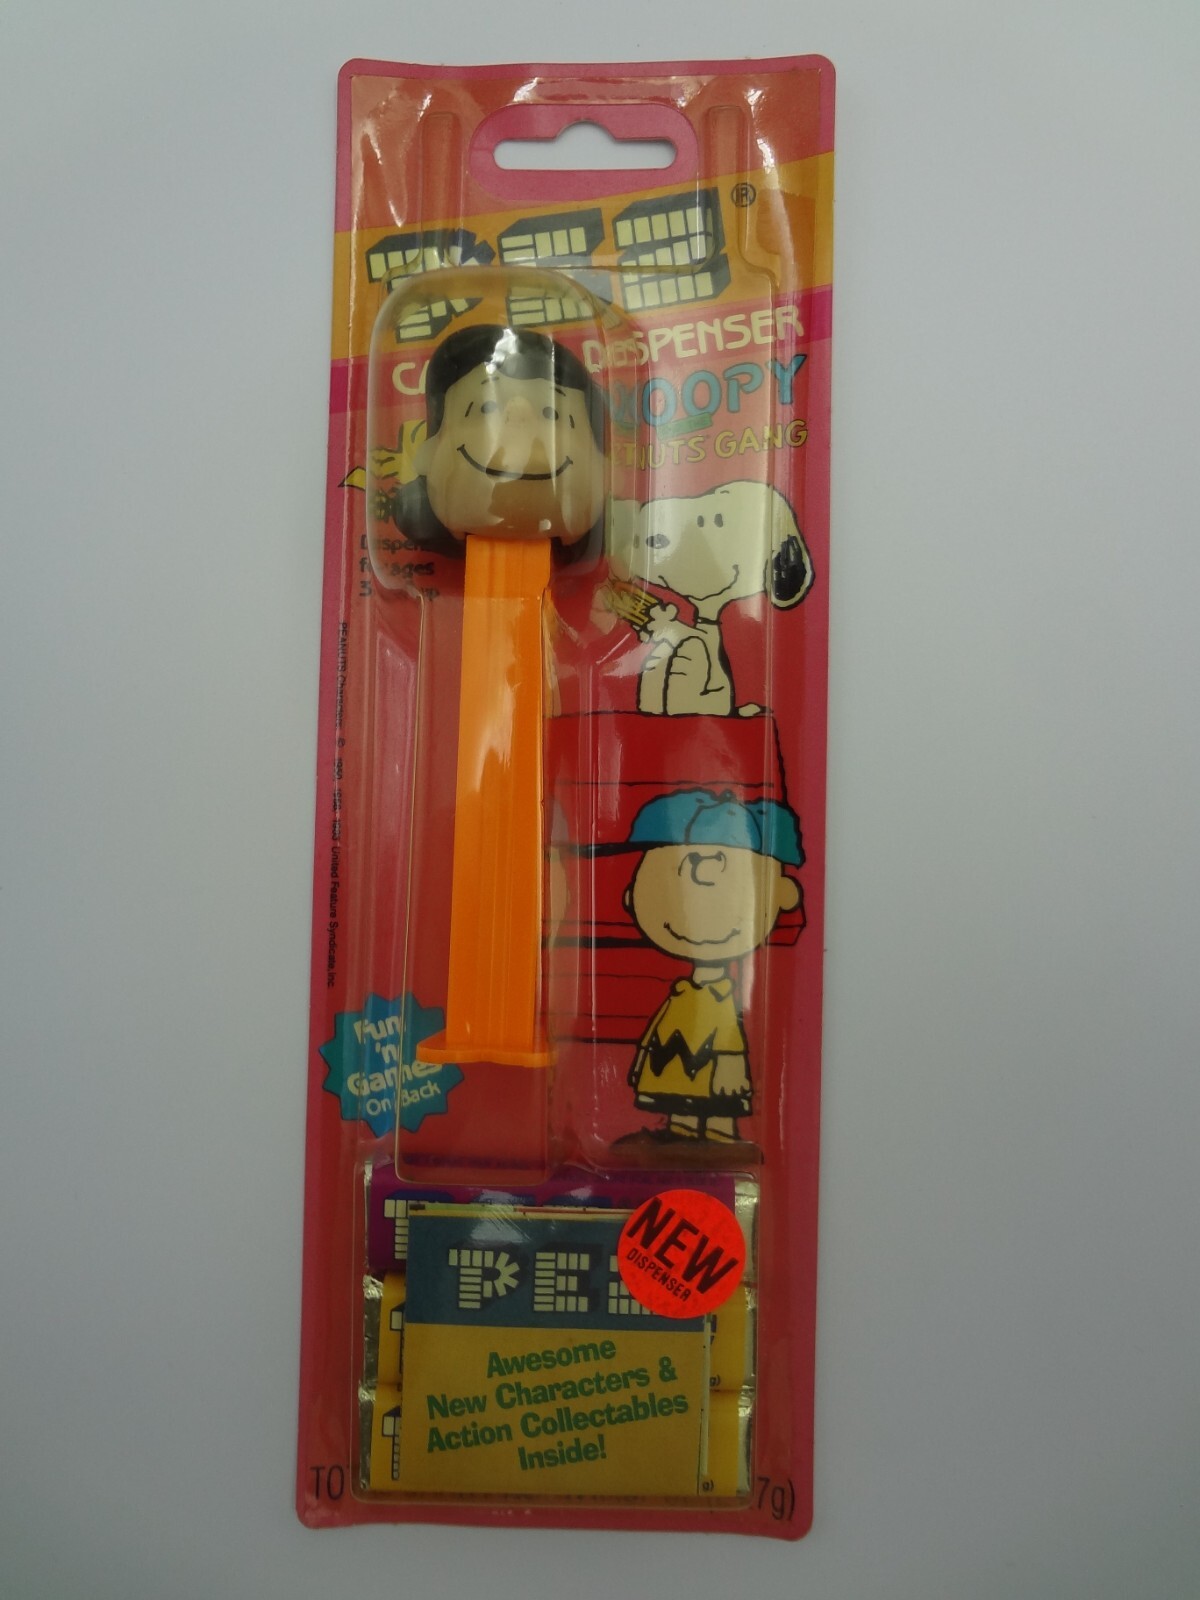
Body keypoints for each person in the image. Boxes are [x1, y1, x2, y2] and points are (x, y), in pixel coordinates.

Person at [621, 787, 802, 1143]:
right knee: (681, 1110)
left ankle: (720, 1134)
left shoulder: (720, 1001)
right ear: (632, 895)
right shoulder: (683, 995)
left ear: (784, 895)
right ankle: (682, 1130)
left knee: (720, 1109)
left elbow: (729, 1042)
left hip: (712, 1067)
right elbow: (658, 1028)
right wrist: (643, 1058)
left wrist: (731, 1069)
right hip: (674, 1063)